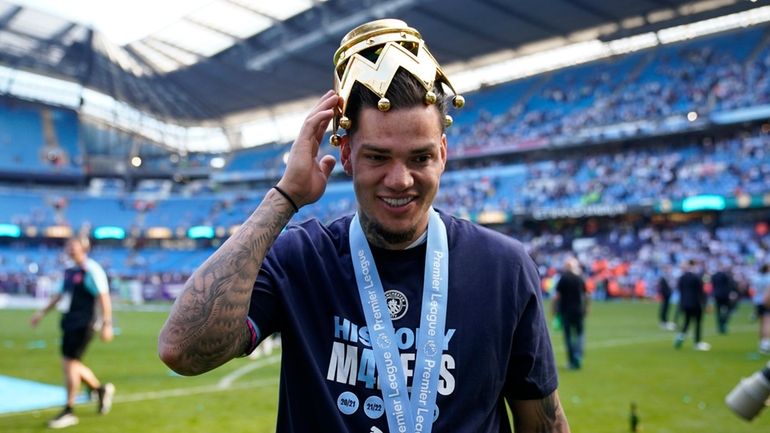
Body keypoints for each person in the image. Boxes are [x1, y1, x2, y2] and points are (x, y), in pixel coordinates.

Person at [158, 19, 570, 433]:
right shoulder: (302, 260)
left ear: (442, 154)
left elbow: (544, 423)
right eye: (377, 157)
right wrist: (285, 197)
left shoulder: (504, 268)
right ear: (347, 155)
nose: (400, 179)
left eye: (420, 158)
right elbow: (183, 349)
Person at [29, 237, 116, 429]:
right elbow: (60, 295)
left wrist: (107, 324)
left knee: (69, 364)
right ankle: (99, 390)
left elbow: (103, 296)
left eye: (73, 247)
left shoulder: (91, 270)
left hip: (84, 323)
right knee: (72, 363)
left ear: (84, 248)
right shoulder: (70, 271)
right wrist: (41, 313)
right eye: (68, 247)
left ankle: (69, 410)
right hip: (68, 321)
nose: (70, 250)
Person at [552, 257, 588, 370]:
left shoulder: (563, 278)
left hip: (566, 311)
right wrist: (586, 308)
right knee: (579, 334)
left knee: (568, 337)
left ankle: (572, 361)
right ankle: (578, 356)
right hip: (578, 311)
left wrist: (553, 309)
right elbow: (586, 296)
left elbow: (557, 296)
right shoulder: (579, 278)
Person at [674, 259, 710, 351]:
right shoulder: (697, 277)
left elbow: (680, 290)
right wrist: (705, 303)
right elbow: (701, 292)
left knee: (686, 322)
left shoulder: (682, 278)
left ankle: (680, 337)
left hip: (684, 303)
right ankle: (697, 343)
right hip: (695, 303)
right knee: (697, 323)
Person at [711, 268, 738, 334]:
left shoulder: (714, 276)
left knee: (718, 312)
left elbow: (713, 285)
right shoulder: (726, 275)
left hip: (717, 295)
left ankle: (720, 325)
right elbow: (730, 284)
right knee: (729, 309)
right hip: (725, 295)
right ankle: (723, 323)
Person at [751, 263, 770, 354]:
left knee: (761, 323)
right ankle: (765, 344)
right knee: (767, 322)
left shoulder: (757, 278)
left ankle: (761, 343)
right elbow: (768, 292)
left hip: (757, 301)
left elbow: (754, 290)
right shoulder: (768, 278)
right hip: (766, 301)